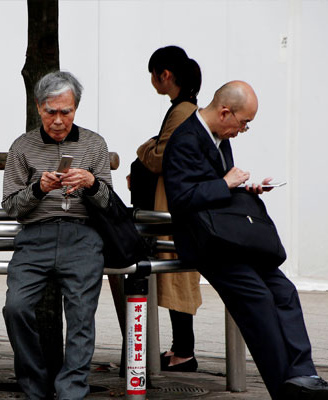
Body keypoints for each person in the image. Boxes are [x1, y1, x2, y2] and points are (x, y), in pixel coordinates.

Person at [162, 80, 328, 399]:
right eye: (244, 122)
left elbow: (217, 188)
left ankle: (304, 374)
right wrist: (224, 183)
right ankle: (284, 389)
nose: (243, 130)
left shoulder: (219, 135)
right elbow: (180, 199)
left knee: (284, 291)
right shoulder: (186, 139)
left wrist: (246, 187)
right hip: (208, 243)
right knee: (258, 300)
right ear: (224, 112)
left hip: (231, 235)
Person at [1, 71, 112, 400]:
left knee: (81, 313)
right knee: (15, 308)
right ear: (38, 107)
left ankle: (71, 391)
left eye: (66, 111)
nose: (59, 120)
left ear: (76, 107)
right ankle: (35, 385)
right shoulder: (22, 147)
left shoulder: (94, 144)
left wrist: (91, 183)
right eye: (51, 112)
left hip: (83, 235)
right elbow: (10, 206)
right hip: (35, 235)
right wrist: (38, 189)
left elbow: (108, 201)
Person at [130, 45, 202, 372]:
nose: (151, 81)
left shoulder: (181, 111)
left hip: (173, 206)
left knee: (176, 277)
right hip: (176, 204)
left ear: (165, 74)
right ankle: (180, 349)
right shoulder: (186, 109)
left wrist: (143, 147)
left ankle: (183, 352)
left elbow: (160, 156)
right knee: (176, 277)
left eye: (152, 74)